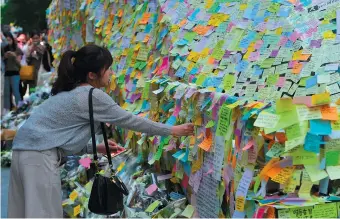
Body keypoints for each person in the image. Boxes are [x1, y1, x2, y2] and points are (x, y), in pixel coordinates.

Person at [8, 44, 194, 218]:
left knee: (22, 213)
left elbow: (58, 137)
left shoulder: (71, 92)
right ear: (92, 74)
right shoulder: (92, 95)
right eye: (108, 69)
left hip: (22, 153)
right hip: (38, 159)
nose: (111, 74)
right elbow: (130, 120)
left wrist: (94, 148)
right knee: (43, 214)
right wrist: (173, 130)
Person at [2, 32, 23, 112]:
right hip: (7, 73)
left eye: (9, 39)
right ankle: (6, 109)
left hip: (15, 73)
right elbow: (3, 61)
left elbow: (19, 64)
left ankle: (20, 107)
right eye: (6, 40)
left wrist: (14, 56)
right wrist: (5, 57)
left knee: (16, 91)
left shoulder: (17, 48)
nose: (8, 42)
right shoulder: (4, 49)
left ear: (12, 39)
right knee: (6, 93)